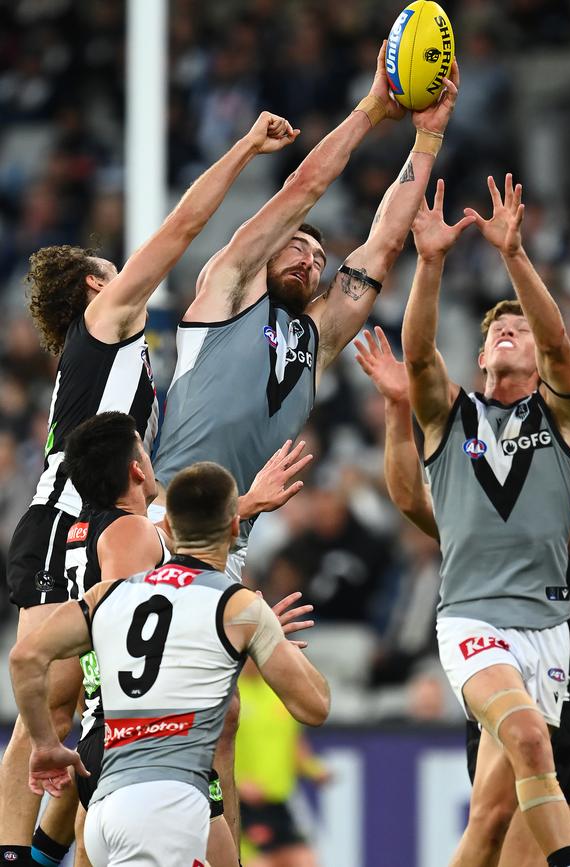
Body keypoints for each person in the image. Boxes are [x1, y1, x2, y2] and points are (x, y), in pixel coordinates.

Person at [0, 109, 301, 866]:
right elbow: (180, 227)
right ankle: (17, 851)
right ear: (93, 285)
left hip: (95, 522)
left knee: (85, 698)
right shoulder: (106, 317)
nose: (124, 268)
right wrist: (241, 150)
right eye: (111, 266)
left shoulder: (106, 357)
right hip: (69, 521)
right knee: (67, 693)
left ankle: (40, 850)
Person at [151, 45, 461, 585]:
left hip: (232, 543)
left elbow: (383, 246)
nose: (309, 261)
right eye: (296, 248)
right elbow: (303, 189)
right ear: (267, 253)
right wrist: (371, 109)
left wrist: (427, 139)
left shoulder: (316, 339)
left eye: (319, 259)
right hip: (163, 520)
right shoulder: (226, 291)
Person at [355, 327, 570, 867]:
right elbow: (415, 504)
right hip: (502, 675)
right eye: (496, 332)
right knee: (492, 828)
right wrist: (399, 409)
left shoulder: (567, 509)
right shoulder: (480, 508)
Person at [401, 176, 570, 867]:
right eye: (495, 331)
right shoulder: (450, 417)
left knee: (494, 813)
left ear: (536, 358)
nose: (507, 332)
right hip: (474, 619)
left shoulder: (562, 415)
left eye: (520, 330)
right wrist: (429, 263)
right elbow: (418, 355)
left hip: (548, 630)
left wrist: (514, 254)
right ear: (480, 357)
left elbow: (564, 348)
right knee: (530, 740)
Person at [9, 461, 330, 867]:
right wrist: (266, 640)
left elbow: (25, 657)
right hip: (166, 802)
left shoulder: (110, 594)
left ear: (170, 528)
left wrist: (44, 745)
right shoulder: (239, 607)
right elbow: (314, 706)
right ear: (234, 529)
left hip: (104, 803)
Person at [236, 657, 332, 867]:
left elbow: (295, 745)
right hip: (242, 805)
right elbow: (213, 750)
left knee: (305, 861)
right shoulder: (230, 694)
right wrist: (237, 782)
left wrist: (315, 770)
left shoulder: (279, 695)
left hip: (279, 801)